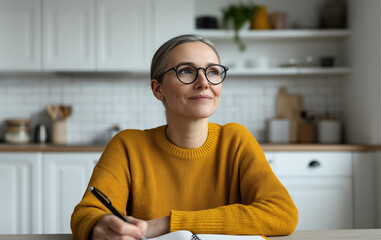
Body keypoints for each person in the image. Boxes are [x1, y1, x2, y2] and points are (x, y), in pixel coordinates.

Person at [71, 34, 298, 240]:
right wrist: (99, 225)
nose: (204, 83)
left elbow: (282, 213)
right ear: (158, 89)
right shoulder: (127, 145)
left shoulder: (236, 140)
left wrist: (170, 223)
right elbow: (87, 213)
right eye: (186, 70)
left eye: (212, 71)